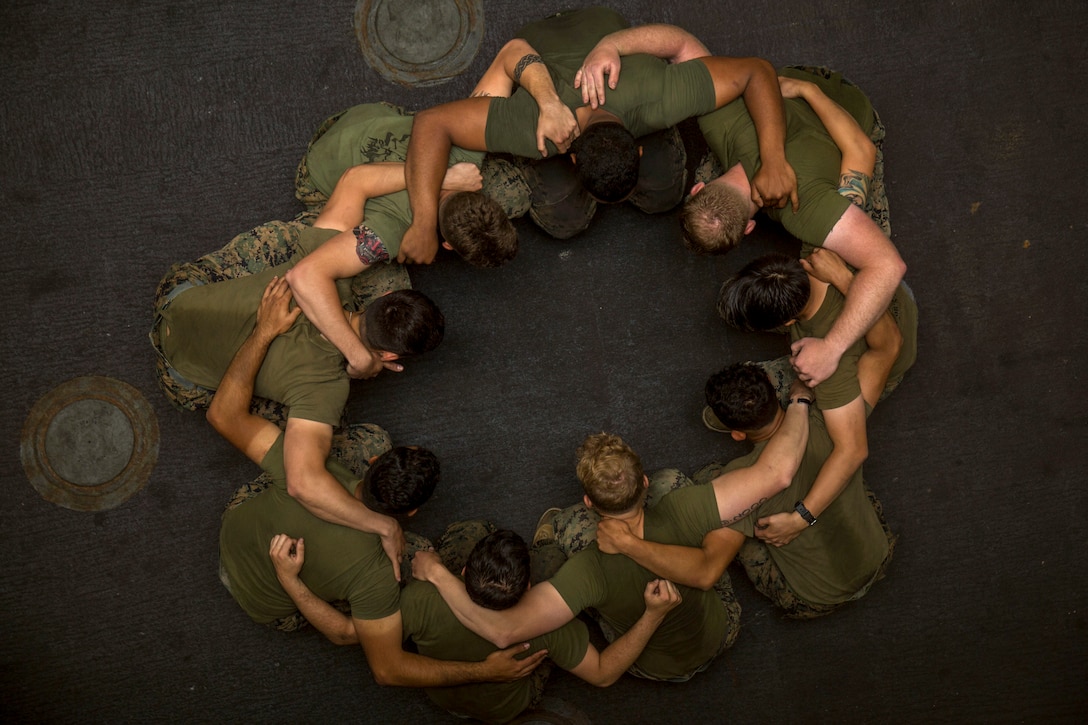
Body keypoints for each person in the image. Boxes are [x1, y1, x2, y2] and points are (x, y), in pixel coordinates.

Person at [215, 278, 545, 687]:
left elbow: (224, 415)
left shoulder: (301, 469)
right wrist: (483, 671)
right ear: (411, 512)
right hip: (268, 602)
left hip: (234, 529)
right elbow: (374, 658)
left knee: (355, 436)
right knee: (422, 556)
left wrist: (264, 331)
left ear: (371, 465)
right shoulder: (380, 577)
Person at [152, 167, 446, 579]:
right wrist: (382, 523)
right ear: (390, 354)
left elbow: (354, 181)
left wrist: (441, 179)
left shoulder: (323, 269)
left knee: (295, 239)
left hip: (180, 297)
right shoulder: (325, 390)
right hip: (181, 378)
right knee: (318, 437)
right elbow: (303, 484)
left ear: (382, 301)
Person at [411, 410, 809, 683]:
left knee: (568, 537)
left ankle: (557, 530)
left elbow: (503, 632)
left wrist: (436, 574)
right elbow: (778, 473)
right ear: (646, 484)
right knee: (706, 490)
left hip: (654, 665)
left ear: (589, 502)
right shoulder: (683, 507)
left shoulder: (587, 570)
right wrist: (800, 399)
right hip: (721, 632)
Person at [402, 6, 797, 258]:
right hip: (537, 45)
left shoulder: (663, 95)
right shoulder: (532, 129)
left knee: (665, 196)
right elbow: (432, 123)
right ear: (571, 156)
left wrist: (775, 157)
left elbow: (755, 71)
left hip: (602, 25)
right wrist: (423, 223)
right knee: (565, 221)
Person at [275, 522, 679, 723]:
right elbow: (605, 675)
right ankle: (543, 544)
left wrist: (289, 580)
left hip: (444, 698)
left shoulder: (419, 598)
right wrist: (652, 615)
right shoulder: (554, 627)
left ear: (464, 572)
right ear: (532, 589)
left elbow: (346, 634)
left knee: (465, 531)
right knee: (555, 558)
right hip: (509, 705)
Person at [682, 67, 908, 388]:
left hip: (847, 108)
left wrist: (832, 348)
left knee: (856, 237)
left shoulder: (809, 211)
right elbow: (693, 53)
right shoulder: (716, 118)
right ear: (699, 189)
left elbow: (862, 151)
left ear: (749, 229)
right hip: (785, 82)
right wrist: (802, 89)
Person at [710, 246, 914, 545]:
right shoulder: (815, 254)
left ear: (789, 322)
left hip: (881, 351)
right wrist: (844, 279)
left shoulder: (830, 375)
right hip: (888, 288)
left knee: (755, 395)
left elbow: (853, 450)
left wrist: (800, 518)